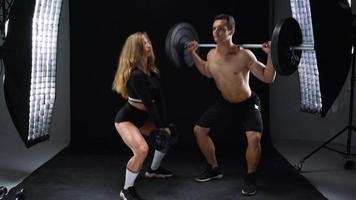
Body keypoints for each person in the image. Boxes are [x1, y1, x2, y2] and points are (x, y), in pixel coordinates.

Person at [186, 13, 276, 196]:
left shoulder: (244, 55)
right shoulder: (211, 54)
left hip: (248, 103)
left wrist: (272, 55)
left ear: (231, 31)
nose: (216, 32)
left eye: (221, 29)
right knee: (199, 130)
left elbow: (268, 77)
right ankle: (214, 169)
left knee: (254, 139)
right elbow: (206, 70)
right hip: (225, 102)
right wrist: (193, 54)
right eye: (213, 28)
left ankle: (250, 177)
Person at [112, 32, 174, 200]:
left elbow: (160, 100)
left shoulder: (152, 72)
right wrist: (160, 127)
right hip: (127, 120)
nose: (148, 46)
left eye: (148, 42)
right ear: (136, 49)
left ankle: (153, 170)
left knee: (169, 135)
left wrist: (165, 125)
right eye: (143, 44)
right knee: (141, 150)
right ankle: (126, 189)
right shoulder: (136, 75)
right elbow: (149, 104)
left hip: (143, 119)